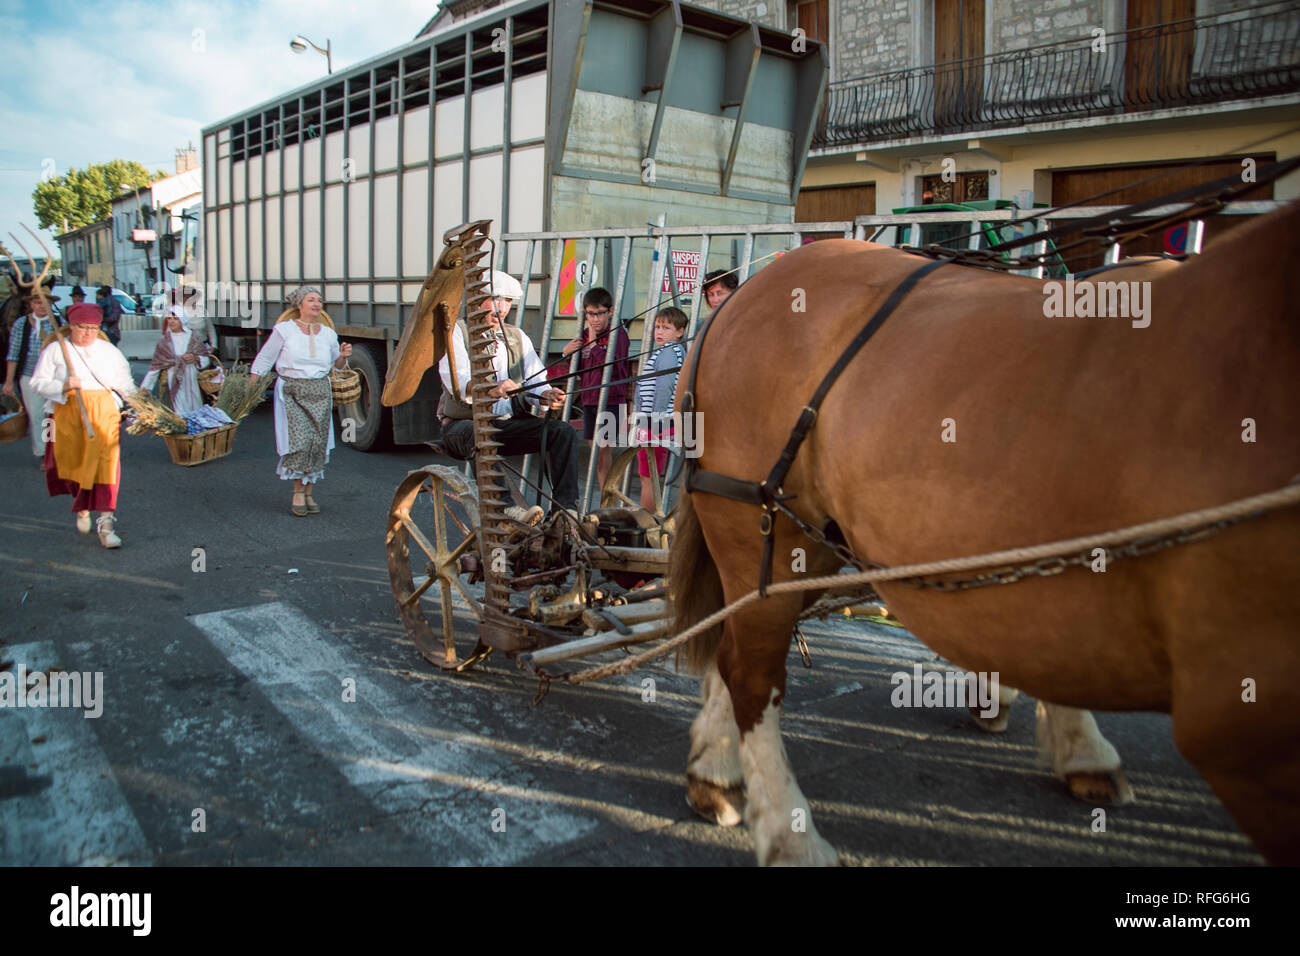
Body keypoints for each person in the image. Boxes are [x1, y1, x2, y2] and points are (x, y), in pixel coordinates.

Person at [437, 270, 579, 516]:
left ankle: (565, 511)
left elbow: (536, 381)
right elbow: (457, 380)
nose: (501, 308)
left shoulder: (516, 336)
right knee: (480, 431)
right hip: (462, 427)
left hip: (506, 425)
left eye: (507, 301)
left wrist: (547, 395)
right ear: (477, 298)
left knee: (562, 432)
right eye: (495, 299)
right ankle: (508, 510)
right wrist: (494, 389)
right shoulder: (457, 332)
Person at [28, 303, 137, 548]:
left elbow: (126, 384)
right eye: (81, 327)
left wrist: (143, 408)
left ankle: (107, 524)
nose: (87, 333)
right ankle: (82, 506)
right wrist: (63, 385)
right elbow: (37, 383)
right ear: (71, 326)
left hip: (104, 414)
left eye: (92, 328)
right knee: (74, 466)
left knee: (106, 468)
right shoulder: (57, 349)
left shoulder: (109, 351)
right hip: (67, 414)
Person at [250, 287, 352, 516]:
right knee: (300, 441)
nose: (317, 304)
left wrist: (343, 357)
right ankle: (297, 491)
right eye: (311, 300)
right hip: (292, 392)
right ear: (299, 305)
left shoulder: (327, 334)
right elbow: (265, 358)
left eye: (319, 300)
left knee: (318, 442)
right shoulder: (284, 330)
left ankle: (309, 492)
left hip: (320, 392)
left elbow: (337, 366)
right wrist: (250, 385)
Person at [561, 286, 632, 487]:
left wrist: (593, 345)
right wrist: (567, 354)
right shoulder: (583, 335)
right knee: (595, 456)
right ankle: (605, 497)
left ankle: (607, 497)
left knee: (602, 453)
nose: (595, 319)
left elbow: (614, 366)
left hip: (611, 401)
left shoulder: (617, 335)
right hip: (590, 401)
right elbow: (578, 370)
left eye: (600, 313)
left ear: (610, 311)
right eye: (590, 314)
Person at [633, 306, 688, 512]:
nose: (659, 332)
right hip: (656, 422)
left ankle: (646, 522)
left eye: (666, 327)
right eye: (657, 326)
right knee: (648, 476)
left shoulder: (669, 352)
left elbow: (665, 386)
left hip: (656, 424)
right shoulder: (669, 352)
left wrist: (653, 420)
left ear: (679, 332)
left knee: (649, 478)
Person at [2, 291, 58, 462]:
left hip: (53, 377)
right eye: (37, 302)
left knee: (51, 416)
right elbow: (13, 354)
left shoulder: (57, 323)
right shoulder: (22, 324)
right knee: (36, 415)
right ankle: (43, 453)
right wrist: (9, 382)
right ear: (31, 305)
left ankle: (52, 450)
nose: (41, 306)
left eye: (44, 302)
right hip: (29, 376)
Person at [139, 299, 213, 416]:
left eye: (175, 318)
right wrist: (145, 388)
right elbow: (155, 367)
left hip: (191, 380)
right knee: (178, 412)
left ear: (182, 319)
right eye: (169, 318)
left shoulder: (193, 338)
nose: (172, 322)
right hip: (173, 380)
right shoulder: (164, 341)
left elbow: (205, 358)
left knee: (195, 409)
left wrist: (196, 358)